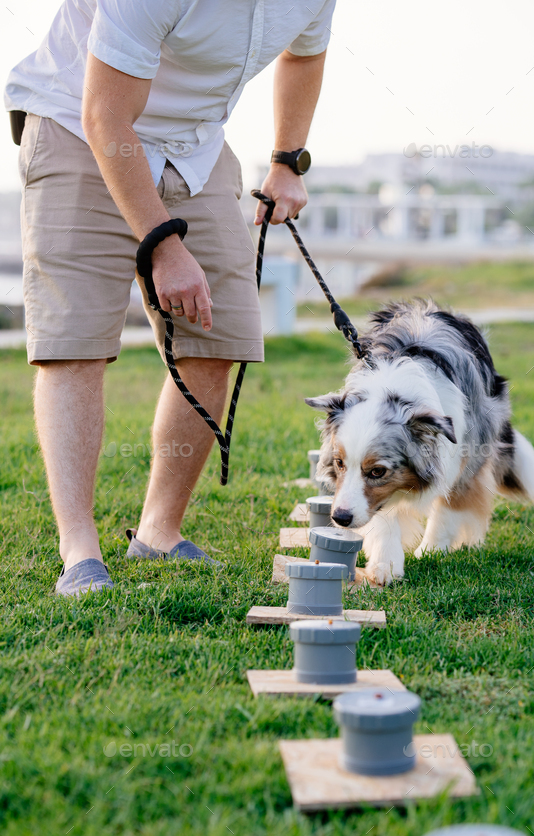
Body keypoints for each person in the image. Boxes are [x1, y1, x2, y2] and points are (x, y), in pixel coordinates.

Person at [5, 0, 335, 595]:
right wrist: (163, 245)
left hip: (193, 145)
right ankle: (79, 549)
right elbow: (106, 116)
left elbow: (304, 53)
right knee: (75, 343)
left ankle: (158, 531)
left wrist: (288, 160)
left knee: (218, 332)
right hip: (78, 124)